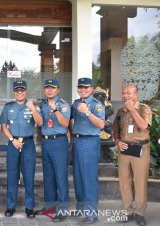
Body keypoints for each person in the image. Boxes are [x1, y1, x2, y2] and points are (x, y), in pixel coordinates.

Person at [0, 80, 42, 219]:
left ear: (26, 91)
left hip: (28, 144)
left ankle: (29, 207)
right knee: (12, 176)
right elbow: (4, 126)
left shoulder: (33, 106)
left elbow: (40, 122)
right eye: (17, 90)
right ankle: (10, 206)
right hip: (13, 144)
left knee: (29, 176)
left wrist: (33, 109)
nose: (19, 92)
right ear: (14, 92)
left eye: (22, 90)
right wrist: (13, 140)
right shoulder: (8, 107)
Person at [113, 85, 152, 226]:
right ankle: (127, 212)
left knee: (140, 182)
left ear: (136, 94)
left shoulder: (144, 109)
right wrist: (117, 141)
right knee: (125, 182)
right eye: (123, 93)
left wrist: (132, 110)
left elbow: (143, 126)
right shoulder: (120, 111)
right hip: (124, 150)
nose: (125, 96)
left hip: (140, 149)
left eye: (129, 93)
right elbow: (115, 130)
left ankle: (140, 214)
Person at [71, 77, 105, 225]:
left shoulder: (97, 105)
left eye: (86, 88)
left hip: (90, 142)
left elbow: (101, 124)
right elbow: (70, 120)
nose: (83, 90)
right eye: (80, 87)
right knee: (78, 177)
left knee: (89, 178)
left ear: (92, 89)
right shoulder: (76, 103)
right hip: (77, 141)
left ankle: (91, 213)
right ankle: (81, 208)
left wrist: (87, 112)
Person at [35, 79, 70, 222]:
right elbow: (40, 123)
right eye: (47, 88)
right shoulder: (42, 105)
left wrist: (55, 109)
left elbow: (65, 123)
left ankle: (62, 209)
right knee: (48, 177)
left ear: (58, 89)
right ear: (44, 90)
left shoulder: (63, 104)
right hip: (46, 142)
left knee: (61, 177)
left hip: (59, 141)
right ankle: (50, 205)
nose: (49, 90)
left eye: (52, 88)